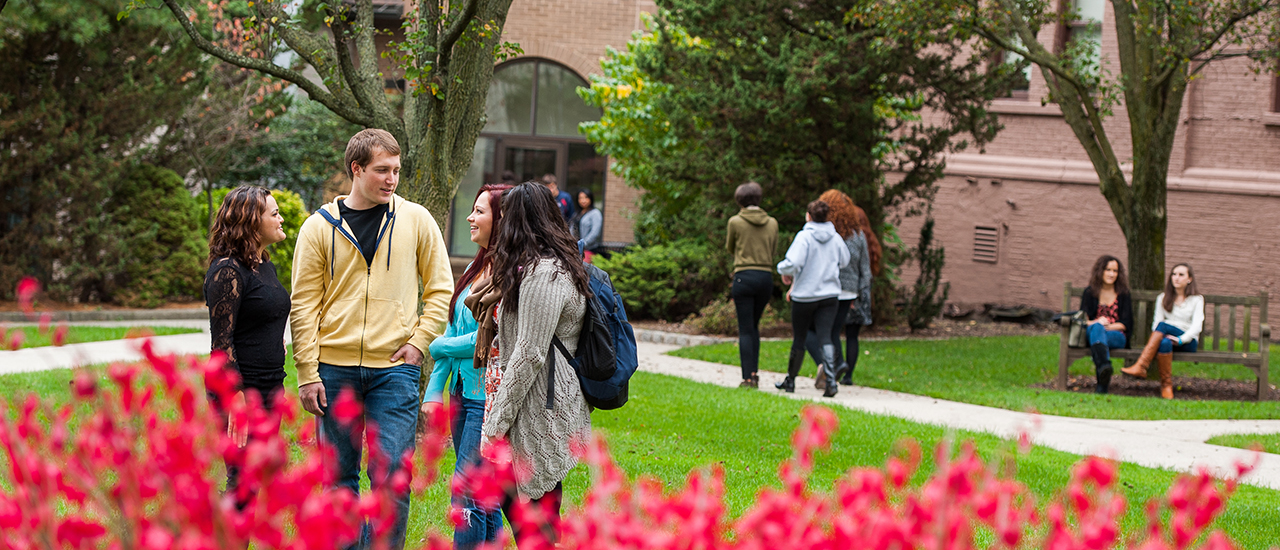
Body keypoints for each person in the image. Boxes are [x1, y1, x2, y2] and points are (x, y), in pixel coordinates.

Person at [290, 129, 454, 550]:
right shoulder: (317, 228)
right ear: (356, 169)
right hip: (334, 370)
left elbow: (440, 288)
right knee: (339, 478)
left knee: (392, 479)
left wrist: (418, 343)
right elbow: (304, 305)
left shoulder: (416, 220)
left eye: (396, 170)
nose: (391, 179)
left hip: (394, 372)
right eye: (382, 170)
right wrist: (308, 372)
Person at [476, 181, 591, 548]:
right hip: (536, 400)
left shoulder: (546, 274)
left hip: (544, 405)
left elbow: (529, 353)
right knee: (529, 508)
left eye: (506, 216)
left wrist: (497, 422)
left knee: (535, 510)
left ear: (520, 221)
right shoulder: (537, 267)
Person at [422, 184, 510, 550]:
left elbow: (484, 342)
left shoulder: (508, 274)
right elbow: (455, 328)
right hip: (461, 393)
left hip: (484, 400)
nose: (470, 218)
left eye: (479, 212)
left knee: (468, 494)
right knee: (482, 497)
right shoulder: (478, 266)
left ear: (501, 219)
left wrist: (435, 345)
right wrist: (433, 393)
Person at [204, 185, 290, 509]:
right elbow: (221, 345)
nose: (281, 219)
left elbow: (260, 314)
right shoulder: (228, 270)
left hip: (270, 385)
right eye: (275, 214)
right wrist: (236, 397)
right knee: (242, 479)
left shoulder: (263, 265)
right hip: (240, 390)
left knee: (254, 479)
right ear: (252, 221)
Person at [776, 200, 849, 398]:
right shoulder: (835, 238)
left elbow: (793, 262)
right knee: (826, 336)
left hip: (805, 295)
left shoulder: (804, 237)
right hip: (830, 294)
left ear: (808, 216)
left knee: (800, 337)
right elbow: (845, 260)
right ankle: (831, 382)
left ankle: (790, 380)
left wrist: (782, 269)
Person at [805, 190, 872, 390]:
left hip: (828, 288)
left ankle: (829, 365)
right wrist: (860, 294)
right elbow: (865, 268)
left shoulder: (826, 235)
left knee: (814, 330)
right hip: (851, 291)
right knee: (836, 331)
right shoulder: (858, 235)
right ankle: (844, 371)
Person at [1121, 263, 1203, 399]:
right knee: (1164, 343)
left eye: (1181, 275)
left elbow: (1197, 327)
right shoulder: (1163, 298)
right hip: (1168, 340)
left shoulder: (1196, 300)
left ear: (1189, 279)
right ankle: (1166, 386)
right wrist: (1165, 339)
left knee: (1163, 325)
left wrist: (1181, 339)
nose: (1176, 278)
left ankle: (1142, 365)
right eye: (1174, 274)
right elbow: (1155, 326)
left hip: (1187, 342)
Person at [725, 182, 778, 389]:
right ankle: (755, 373)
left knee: (745, 329)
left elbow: (730, 247)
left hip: (744, 276)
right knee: (754, 327)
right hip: (765, 277)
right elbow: (773, 249)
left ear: (739, 200)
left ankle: (748, 378)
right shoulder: (772, 222)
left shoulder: (735, 222)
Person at [1079, 255, 1134, 394]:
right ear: (1100, 271)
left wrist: (1107, 326)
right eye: (1108, 270)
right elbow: (1083, 320)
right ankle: (1104, 368)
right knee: (1097, 329)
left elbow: (1126, 324)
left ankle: (1103, 372)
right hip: (1094, 332)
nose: (1111, 274)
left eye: (1115, 271)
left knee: (1098, 332)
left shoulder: (1123, 294)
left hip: (1116, 335)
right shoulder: (1090, 292)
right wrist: (1097, 323)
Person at [569, 188, 603, 260]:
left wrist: (583, 244)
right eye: (580, 198)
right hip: (575, 249)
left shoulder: (595, 213)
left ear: (590, 199)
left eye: (586, 197)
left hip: (589, 249)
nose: (583, 200)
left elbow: (595, 233)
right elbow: (571, 228)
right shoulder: (577, 213)